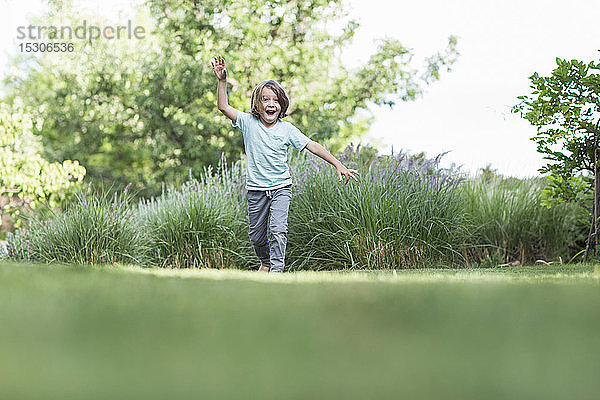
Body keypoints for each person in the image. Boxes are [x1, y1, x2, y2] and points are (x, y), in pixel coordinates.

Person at [211, 55, 359, 273]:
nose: (271, 104)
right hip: (256, 190)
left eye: (276, 100)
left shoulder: (287, 129)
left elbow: (313, 146)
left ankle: (277, 272)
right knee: (257, 236)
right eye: (265, 99)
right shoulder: (248, 123)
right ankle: (266, 262)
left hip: (281, 187)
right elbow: (223, 106)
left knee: (278, 229)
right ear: (257, 104)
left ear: (282, 105)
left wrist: (338, 164)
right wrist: (222, 81)